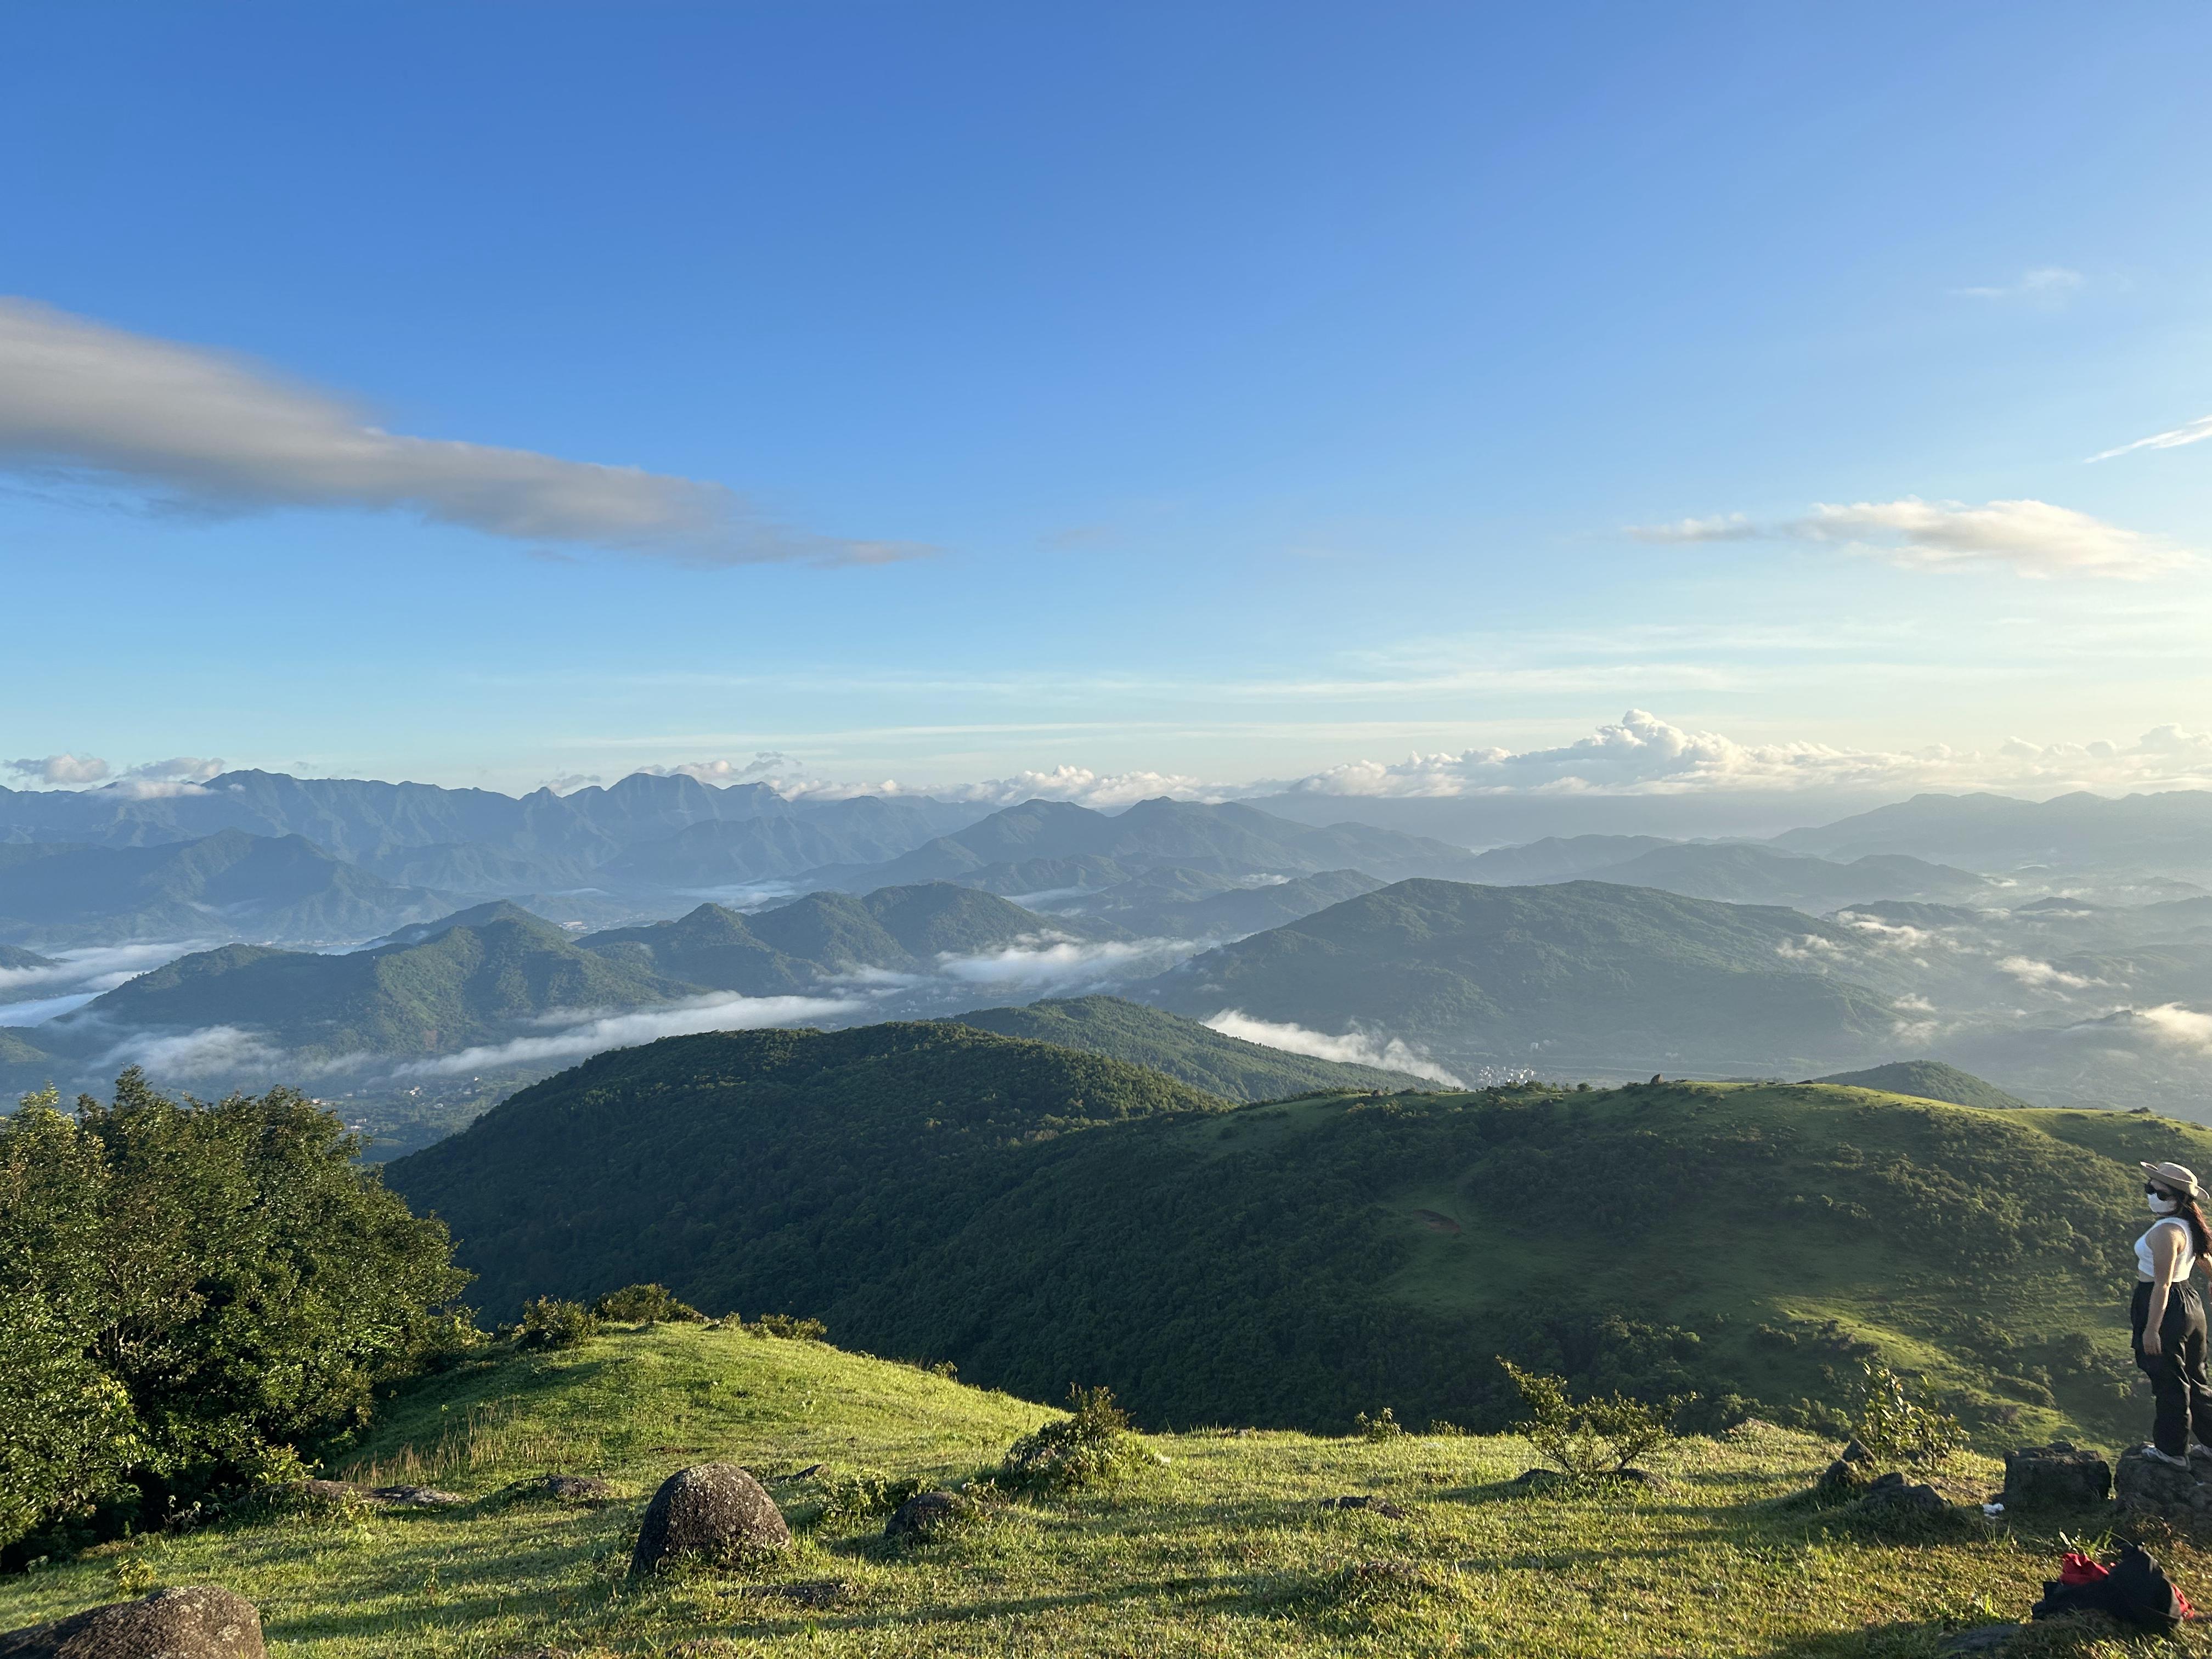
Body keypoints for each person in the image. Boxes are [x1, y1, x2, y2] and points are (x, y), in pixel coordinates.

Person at [2134, 1160, 2212, 1468]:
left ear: (2179, 1200)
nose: (2152, 1195)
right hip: (2190, 1305)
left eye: (2161, 1193)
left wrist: (2152, 1329)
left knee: (2170, 1382)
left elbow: (2162, 1284)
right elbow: (2204, 1258)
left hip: (2163, 1304)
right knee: (2195, 1377)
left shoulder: (2167, 1232)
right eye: (2149, 1189)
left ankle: (2172, 1452)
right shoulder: (2189, 1226)